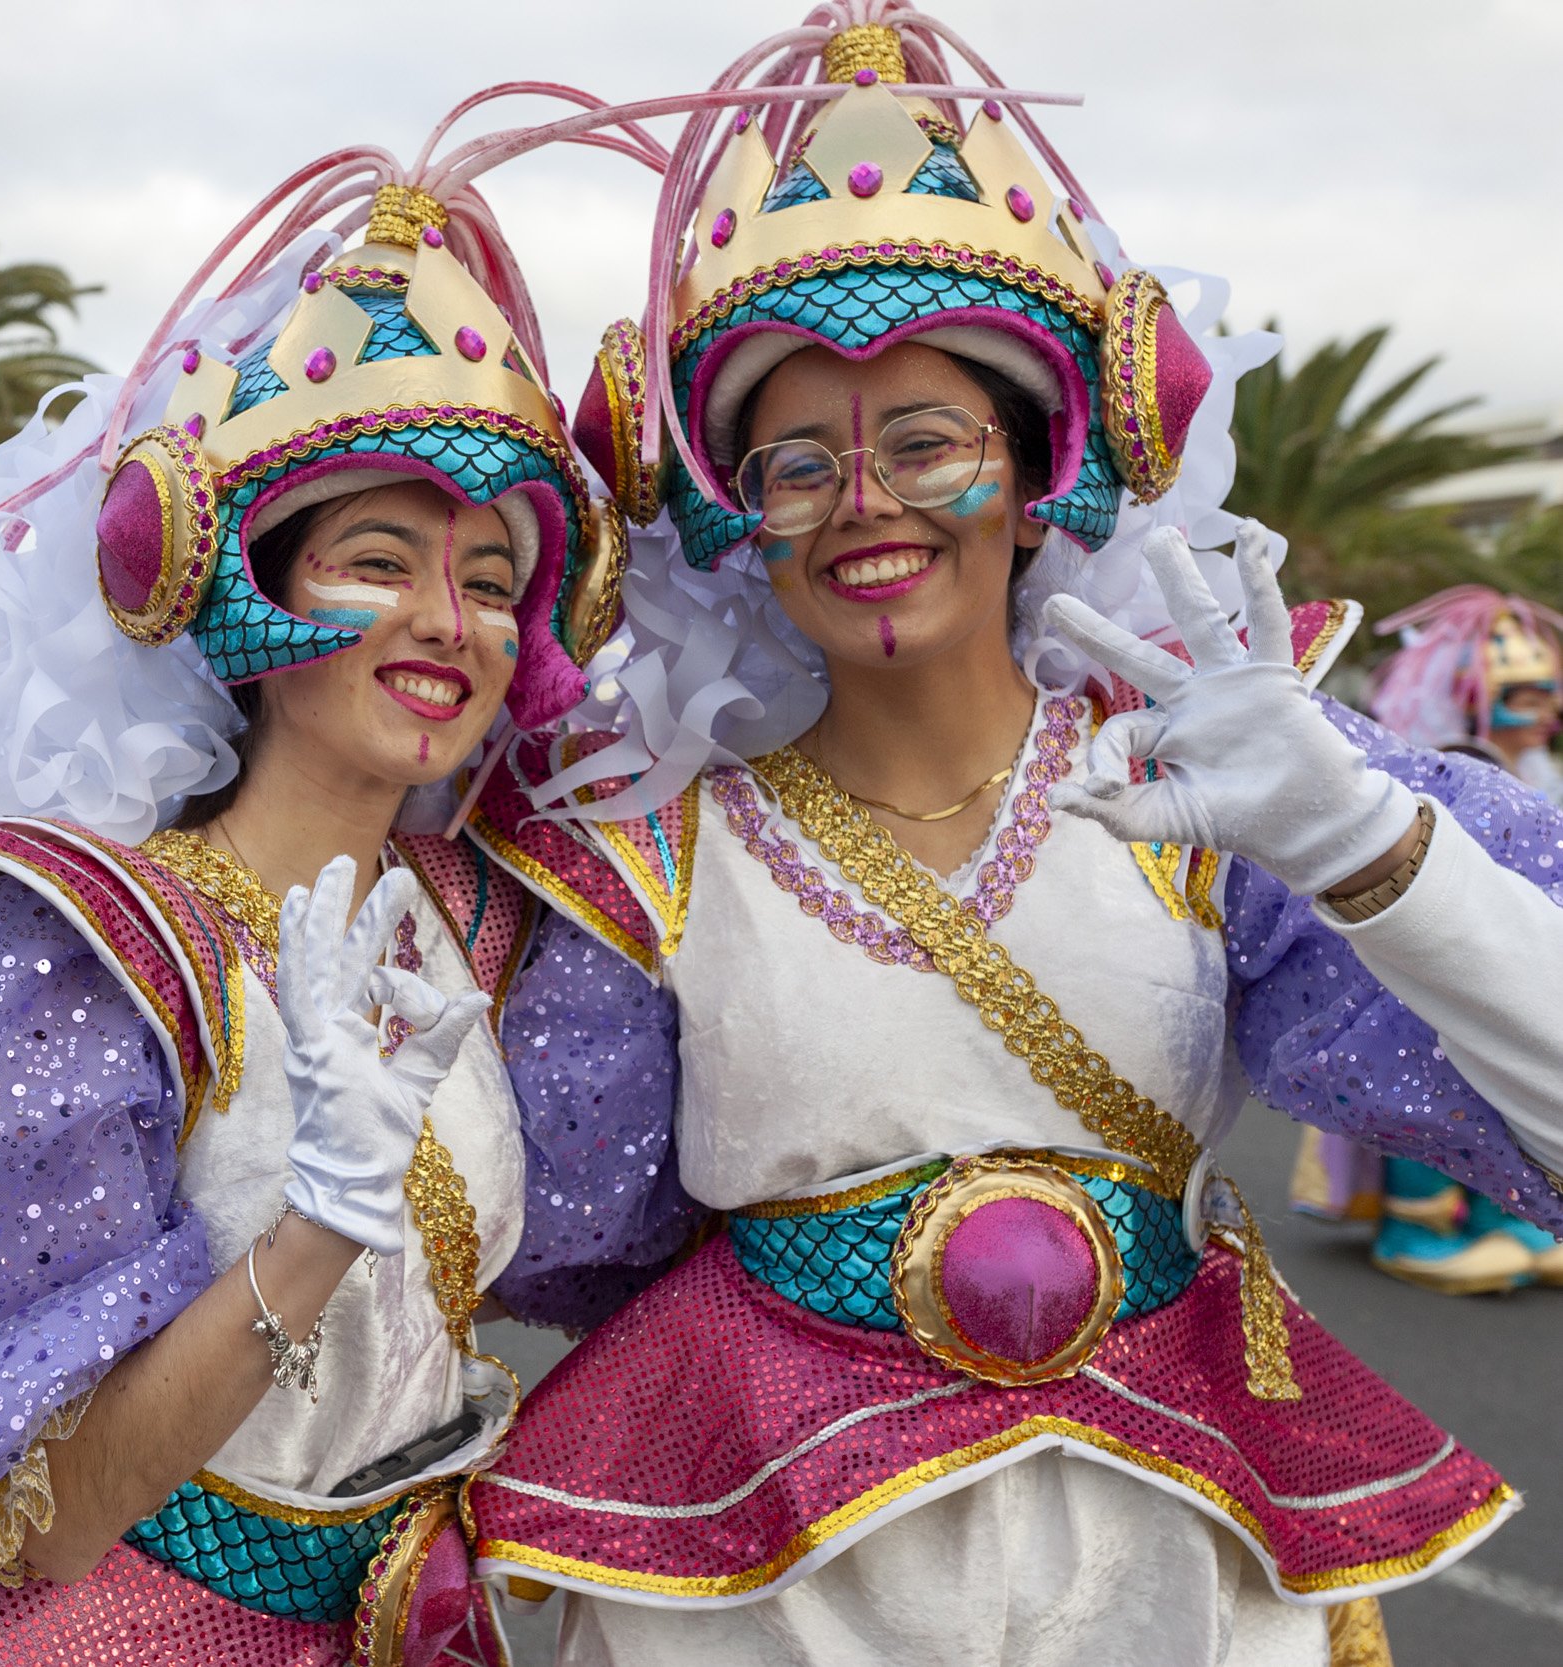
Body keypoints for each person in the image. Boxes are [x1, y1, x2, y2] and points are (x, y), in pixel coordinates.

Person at [452, 12, 1563, 1664]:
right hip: (773, 1604)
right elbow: (565, 1237)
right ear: (739, 518)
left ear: (1039, 473)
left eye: (926, 442)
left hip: (1181, 1573)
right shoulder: (656, 860)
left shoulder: (1211, 798)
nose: (864, 503)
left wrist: (1358, 842)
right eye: (798, 461)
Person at [0, 115, 639, 1666]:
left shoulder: (494, 923)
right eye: (379, 558)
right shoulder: (89, 958)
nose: (443, 618)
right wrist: (318, 1218)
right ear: (241, 585)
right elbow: (56, 1525)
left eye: (485, 577)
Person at [1290, 587, 1563, 1292]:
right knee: (1429, 1085)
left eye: (1549, 694)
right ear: (1473, 694)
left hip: (1508, 964)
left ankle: (1505, 1216)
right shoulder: (1447, 767)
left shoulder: (1539, 772)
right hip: (1419, 981)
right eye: (1528, 695)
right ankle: (1415, 1225)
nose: (1548, 712)